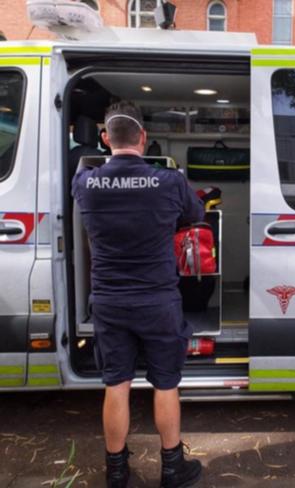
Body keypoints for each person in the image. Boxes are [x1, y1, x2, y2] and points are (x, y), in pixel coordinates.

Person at [71, 101, 204, 488]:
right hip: (158, 301)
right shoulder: (169, 181)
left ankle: (116, 471)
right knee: (165, 383)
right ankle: (172, 468)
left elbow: (86, 179)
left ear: (104, 138)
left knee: (117, 383)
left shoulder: (85, 183)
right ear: (144, 138)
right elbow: (194, 215)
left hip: (110, 302)